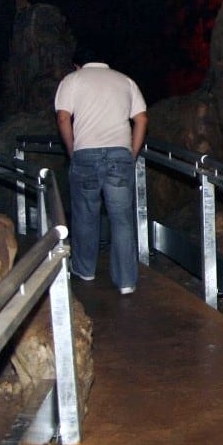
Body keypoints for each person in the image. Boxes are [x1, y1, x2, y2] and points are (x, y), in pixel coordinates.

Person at [54, 48, 147, 294]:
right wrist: (131, 153)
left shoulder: (72, 80)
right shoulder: (124, 80)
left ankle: (85, 270)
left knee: (85, 214)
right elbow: (141, 119)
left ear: (78, 64)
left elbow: (63, 118)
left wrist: (73, 150)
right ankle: (126, 280)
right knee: (122, 218)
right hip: (119, 154)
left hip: (86, 153)